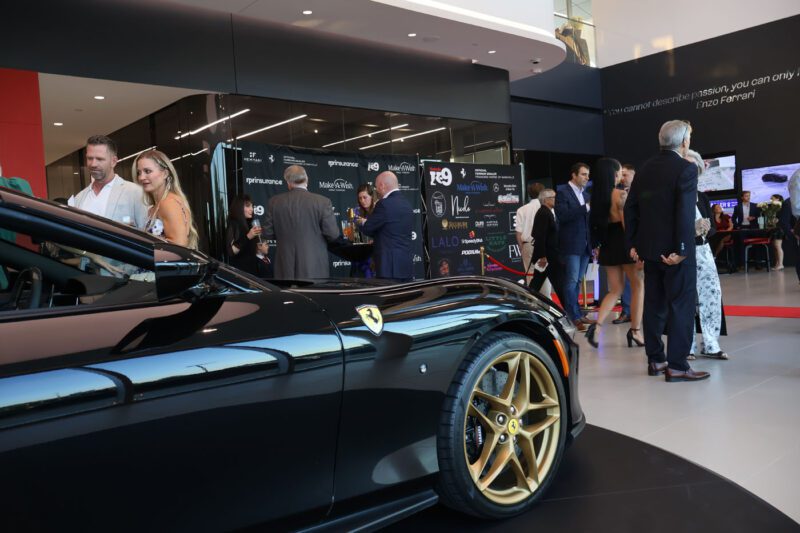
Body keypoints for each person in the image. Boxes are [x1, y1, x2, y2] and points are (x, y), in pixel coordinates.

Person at [624, 119, 709, 382]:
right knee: (681, 306)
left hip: (650, 251)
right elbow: (684, 213)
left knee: (655, 305)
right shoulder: (686, 169)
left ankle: (657, 360)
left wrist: (634, 244)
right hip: (676, 253)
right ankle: (678, 366)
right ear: (684, 142)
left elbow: (631, 208)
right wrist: (682, 249)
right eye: (689, 138)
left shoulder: (645, 169)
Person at [584, 158, 645, 349]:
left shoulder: (596, 199)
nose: (621, 174)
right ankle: (635, 331)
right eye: (619, 171)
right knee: (638, 286)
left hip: (607, 245)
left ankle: (598, 326)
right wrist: (635, 248)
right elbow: (628, 226)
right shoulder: (621, 195)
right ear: (613, 174)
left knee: (615, 290)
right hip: (624, 244)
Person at [685, 150, 729, 360]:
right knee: (687, 299)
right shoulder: (676, 196)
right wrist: (691, 228)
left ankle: (711, 343)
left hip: (704, 250)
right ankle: (688, 345)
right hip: (684, 252)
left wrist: (706, 227)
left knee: (711, 296)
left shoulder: (702, 197)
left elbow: (710, 229)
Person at [263, 165, 340, 279]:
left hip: (285, 269)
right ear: (306, 179)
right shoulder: (323, 202)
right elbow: (333, 235)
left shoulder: (274, 202)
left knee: (287, 297)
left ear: (288, 182)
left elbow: (267, 234)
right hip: (314, 269)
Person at [68, 135, 148, 228]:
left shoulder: (135, 193)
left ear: (113, 161)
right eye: (90, 158)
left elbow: (146, 234)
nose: (93, 164)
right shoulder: (79, 198)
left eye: (99, 159)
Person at [555, 162, 594, 331]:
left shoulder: (585, 194)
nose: (587, 178)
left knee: (577, 280)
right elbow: (563, 216)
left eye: (587, 175)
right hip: (570, 244)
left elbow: (587, 222)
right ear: (574, 175)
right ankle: (572, 316)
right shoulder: (563, 192)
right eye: (584, 174)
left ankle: (577, 312)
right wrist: (584, 208)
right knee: (571, 280)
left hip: (585, 244)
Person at [133, 149, 199, 249]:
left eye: (147, 171)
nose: (141, 177)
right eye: (139, 173)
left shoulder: (168, 203)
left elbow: (179, 248)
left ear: (165, 173)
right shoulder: (159, 204)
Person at [361, 171, 414, 282]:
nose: (376, 190)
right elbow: (390, 229)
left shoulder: (384, 204)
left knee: (392, 299)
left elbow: (368, 228)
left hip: (389, 268)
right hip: (406, 266)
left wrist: (362, 222)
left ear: (382, 186)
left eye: (376, 187)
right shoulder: (407, 204)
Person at [530, 189, 566, 305]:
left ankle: (526, 303)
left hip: (550, 257)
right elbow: (540, 236)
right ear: (545, 200)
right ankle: (571, 312)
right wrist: (542, 256)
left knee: (536, 284)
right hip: (549, 258)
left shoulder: (547, 212)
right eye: (553, 197)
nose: (556, 199)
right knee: (559, 285)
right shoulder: (543, 213)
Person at [225, 194, 269, 276]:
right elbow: (231, 252)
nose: (251, 209)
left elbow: (249, 252)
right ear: (239, 207)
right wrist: (248, 236)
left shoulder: (250, 225)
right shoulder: (234, 224)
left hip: (253, 272)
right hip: (240, 274)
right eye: (248, 206)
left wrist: (261, 251)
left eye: (252, 206)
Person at [614, 163, 636, 324]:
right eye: (621, 174)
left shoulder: (643, 192)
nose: (622, 178)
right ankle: (627, 311)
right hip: (622, 241)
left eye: (626, 174)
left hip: (640, 240)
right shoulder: (617, 194)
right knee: (626, 278)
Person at [351, 183, 377, 278]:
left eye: (365, 197)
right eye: (360, 198)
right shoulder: (356, 211)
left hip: (375, 253)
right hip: (361, 253)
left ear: (372, 196)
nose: (362, 201)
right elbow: (354, 234)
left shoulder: (379, 210)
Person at [770, 194, 785, 270]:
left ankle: (781, 264)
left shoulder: (782, 207)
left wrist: (776, 220)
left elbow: (782, 218)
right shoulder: (774, 208)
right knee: (775, 247)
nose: (771, 200)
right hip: (774, 228)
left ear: (778, 199)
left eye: (772, 199)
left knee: (778, 246)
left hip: (779, 228)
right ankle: (777, 263)